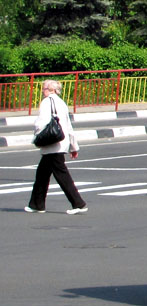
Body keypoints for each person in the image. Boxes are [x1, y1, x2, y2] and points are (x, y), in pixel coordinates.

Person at [24, 79, 87, 215]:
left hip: (52, 144)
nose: (42, 90)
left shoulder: (47, 102)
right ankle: (37, 204)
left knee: (62, 174)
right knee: (42, 175)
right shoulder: (61, 103)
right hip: (60, 143)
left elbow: (41, 123)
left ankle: (78, 203)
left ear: (51, 90)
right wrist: (73, 146)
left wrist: (37, 138)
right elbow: (69, 126)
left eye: (44, 88)